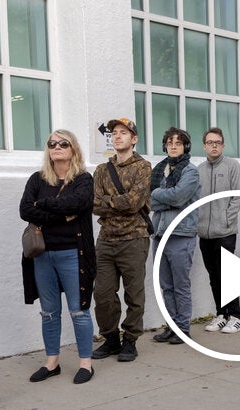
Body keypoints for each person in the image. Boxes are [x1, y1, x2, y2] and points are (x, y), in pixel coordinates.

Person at [19, 129, 96, 385]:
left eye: (63, 143)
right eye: (52, 143)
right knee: (49, 312)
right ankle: (52, 362)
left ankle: (86, 363)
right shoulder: (37, 179)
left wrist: (43, 206)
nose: (57, 147)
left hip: (73, 253)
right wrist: (60, 213)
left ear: (73, 149)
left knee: (79, 310)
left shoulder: (84, 180)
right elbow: (25, 210)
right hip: (43, 255)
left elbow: (77, 204)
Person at [91, 118, 152, 362]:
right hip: (106, 240)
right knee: (103, 295)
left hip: (134, 238)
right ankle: (111, 339)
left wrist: (109, 203)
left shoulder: (143, 167)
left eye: (123, 133)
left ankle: (130, 340)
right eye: (114, 133)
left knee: (134, 295)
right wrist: (117, 203)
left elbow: (135, 203)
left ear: (134, 138)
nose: (117, 137)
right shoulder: (101, 170)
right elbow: (93, 205)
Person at [149, 128, 200, 344]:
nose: (173, 146)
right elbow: (148, 202)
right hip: (160, 233)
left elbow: (179, 197)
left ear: (185, 147)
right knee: (166, 285)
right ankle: (171, 326)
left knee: (180, 285)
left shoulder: (190, 171)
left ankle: (183, 328)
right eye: (169, 142)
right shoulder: (159, 170)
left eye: (178, 143)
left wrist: (156, 194)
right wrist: (162, 197)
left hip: (181, 234)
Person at [197, 127, 240, 333]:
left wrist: (226, 219)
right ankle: (221, 314)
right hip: (205, 233)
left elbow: (238, 195)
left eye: (217, 142)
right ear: (204, 146)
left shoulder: (232, 165)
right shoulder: (199, 169)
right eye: (210, 142)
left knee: (227, 275)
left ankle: (236, 316)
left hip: (225, 232)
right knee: (214, 276)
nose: (214, 145)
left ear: (223, 145)